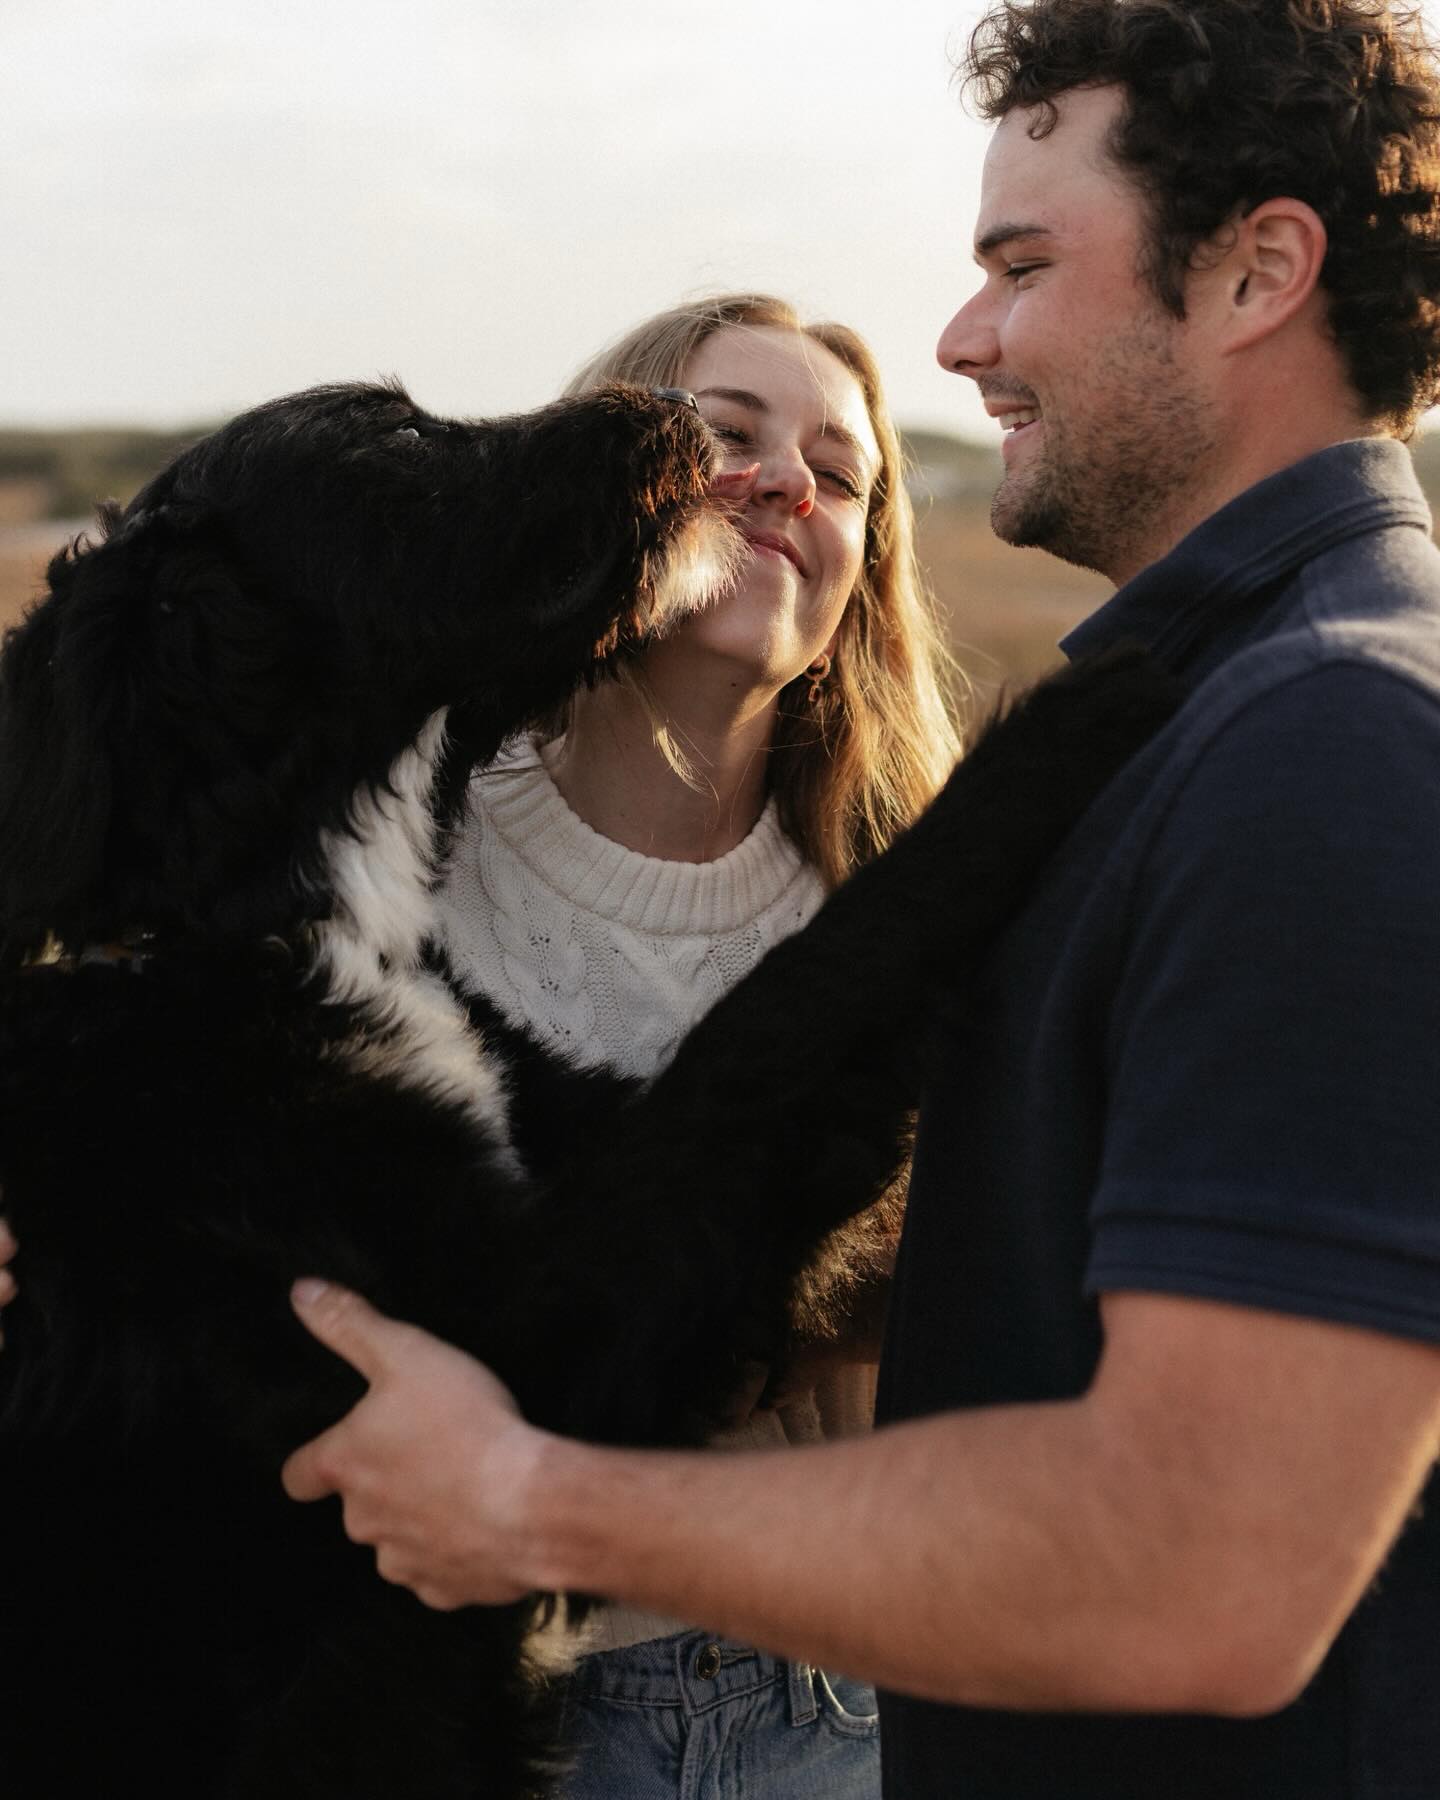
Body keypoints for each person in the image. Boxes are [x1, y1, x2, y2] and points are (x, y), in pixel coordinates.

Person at [275, 3, 1440, 1793]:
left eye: (1021, 265)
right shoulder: (1178, 734)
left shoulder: (1324, 741)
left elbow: (1201, 1566)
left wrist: (528, 1498)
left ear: (1258, 271)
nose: (963, 340)